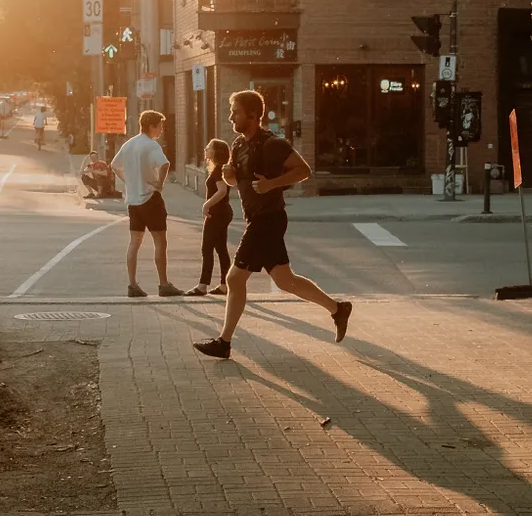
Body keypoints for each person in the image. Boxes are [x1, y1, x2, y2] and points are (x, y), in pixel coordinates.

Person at [194, 89, 351, 359]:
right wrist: (229, 176)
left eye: (236, 111)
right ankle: (338, 309)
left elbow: (304, 171)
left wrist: (271, 184)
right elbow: (236, 182)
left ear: (253, 115)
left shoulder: (272, 144)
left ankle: (224, 342)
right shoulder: (238, 145)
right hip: (256, 217)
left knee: (234, 278)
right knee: (285, 281)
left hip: (269, 219)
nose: (231, 116)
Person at [110, 110, 181, 298]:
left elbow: (114, 165)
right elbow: (165, 164)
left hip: (133, 201)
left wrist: (128, 181)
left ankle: (132, 284)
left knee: (135, 242)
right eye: (160, 126)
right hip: (150, 198)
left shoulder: (129, 144)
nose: (161, 130)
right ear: (152, 126)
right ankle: (164, 284)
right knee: (160, 242)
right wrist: (159, 184)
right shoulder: (152, 145)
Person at [186, 138, 233, 297]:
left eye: (209, 147)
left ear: (216, 151)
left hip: (217, 213)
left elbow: (222, 191)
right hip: (222, 212)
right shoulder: (219, 169)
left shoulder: (219, 169)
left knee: (207, 248)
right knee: (221, 249)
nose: (205, 149)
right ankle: (224, 286)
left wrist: (206, 205)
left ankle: (202, 286)